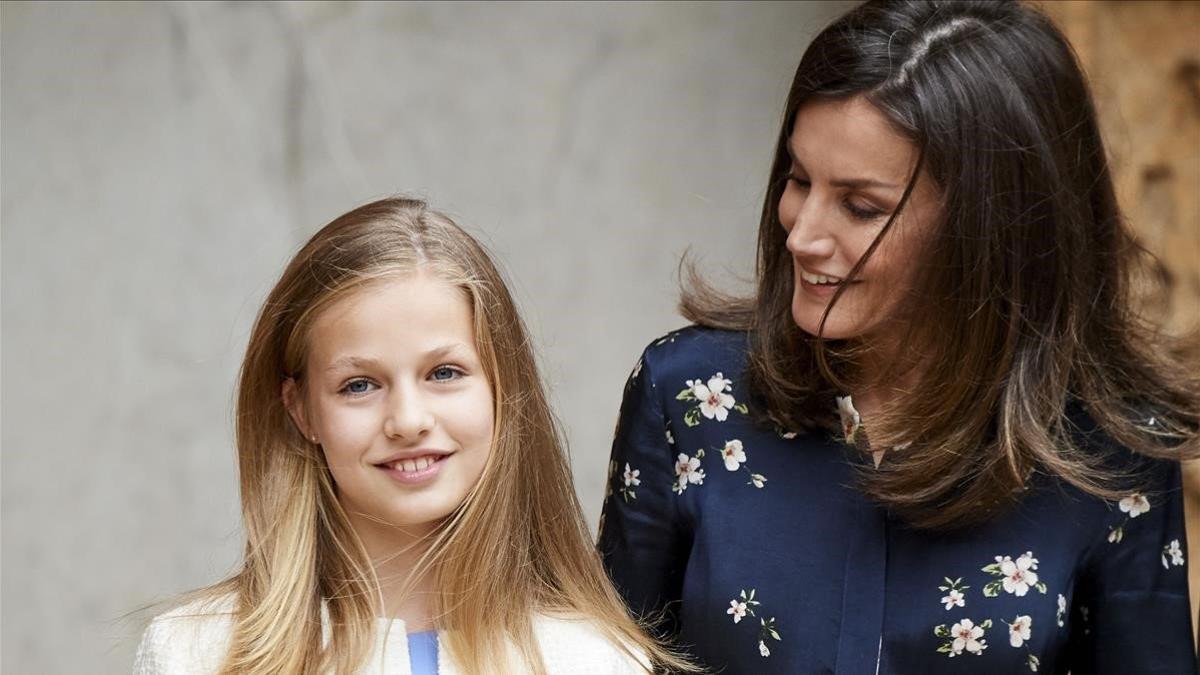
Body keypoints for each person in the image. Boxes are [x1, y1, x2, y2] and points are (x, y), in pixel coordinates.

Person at [598, 1, 1199, 673]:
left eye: (861, 206)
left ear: (989, 230)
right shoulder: (688, 398)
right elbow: (609, 655)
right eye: (798, 180)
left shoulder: (1111, 452)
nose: (802, 235)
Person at [134, 198, 690, 674]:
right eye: (359, 385)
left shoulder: (599, 661)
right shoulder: (195, 654)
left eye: (443, 373)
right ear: (301, 410)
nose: (407, 419)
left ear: (502, 385)